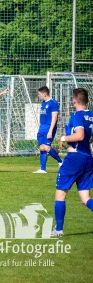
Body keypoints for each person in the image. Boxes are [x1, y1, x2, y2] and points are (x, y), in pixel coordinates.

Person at [52, 88, 93, 237]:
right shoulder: (91, 115)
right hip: (88, 158)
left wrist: (64, 138)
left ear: (74, 100)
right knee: (85, 199)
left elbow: (80, 135)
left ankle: (58, 229)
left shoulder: (77, 115)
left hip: (74, 158)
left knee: (60, 194)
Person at [33, 86, 63, 173]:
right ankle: (43, 169)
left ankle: (60, 161)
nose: (38, 96)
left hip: (49, 128)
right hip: (42, 127)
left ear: (44, 94)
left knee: (46, 147)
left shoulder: (53, 103)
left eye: (39, 94)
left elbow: (54, 117)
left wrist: (50, 130)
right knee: (42, 147)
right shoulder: (43, 103)